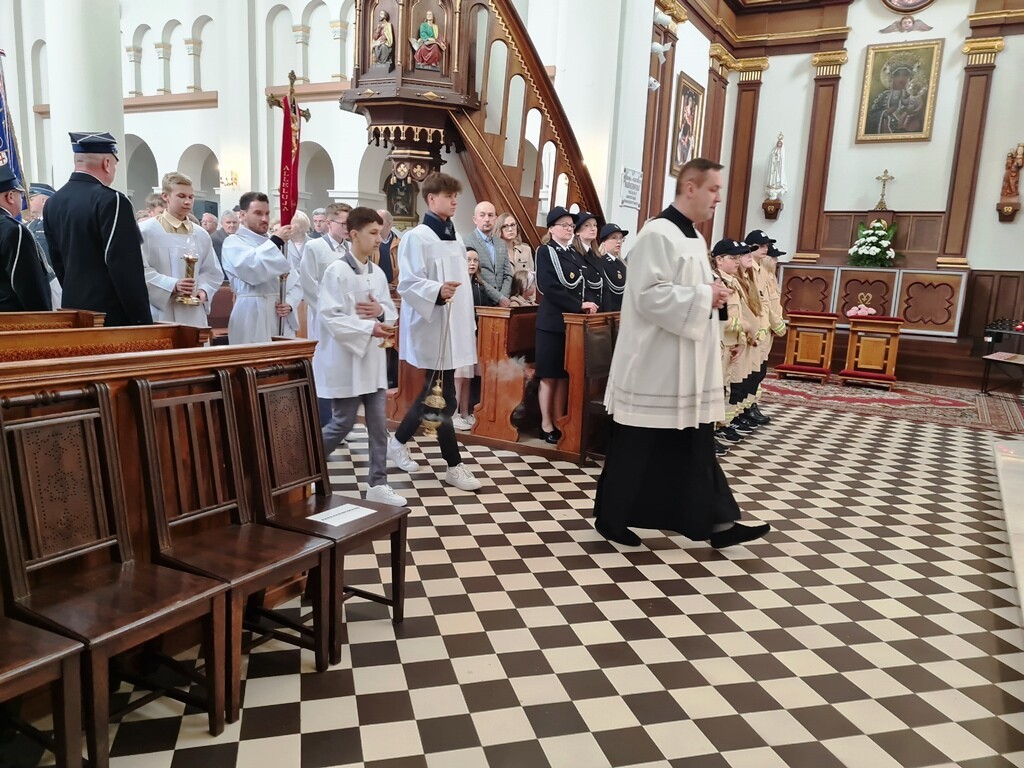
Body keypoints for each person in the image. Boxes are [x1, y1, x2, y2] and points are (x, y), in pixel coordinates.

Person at [594, 158, 770, 550]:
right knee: (636, 447)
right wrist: (705, 295)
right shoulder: (657, 233)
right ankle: (611, 518)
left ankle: (718, 522)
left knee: (695, 445)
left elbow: (686, 290)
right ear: (690, 188)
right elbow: (648, 295)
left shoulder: (691, 236)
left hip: (685, 365)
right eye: (713, 189)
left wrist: (712, 295)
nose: (718, 198)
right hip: (654, 365)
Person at [388, 172, 482, 492]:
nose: (455, 201)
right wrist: (437, 291)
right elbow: (408, 282)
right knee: (443, 398)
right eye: (448, 196)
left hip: (453, 327)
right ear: (431, 199)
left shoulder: (455, 236)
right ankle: (453, 465)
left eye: (456, 196)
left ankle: (398, 441)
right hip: (432, 325)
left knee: (437, 396)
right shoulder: (416, 237)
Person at [315, 207, 405, 506]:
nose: (379, 239)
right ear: (354, 234)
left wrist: (380, 313)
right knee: (342, 423)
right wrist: (369, 328)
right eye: (373, 233)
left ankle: (378, 483)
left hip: (372, 361)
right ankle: (304, 467)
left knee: (378, 425)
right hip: (347, 361)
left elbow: (389, 311)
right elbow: (330, 316)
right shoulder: (336, 272)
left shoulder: (377, 273)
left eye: (380, 232)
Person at [44, 131, 153, 326]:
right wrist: (141, 319)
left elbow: (57, 260)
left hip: (73, 310)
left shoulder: (53, 202)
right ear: (107, 163)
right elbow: (125, 265)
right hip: (110, 314)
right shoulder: (112, 200)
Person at [534, 206, 601, 444]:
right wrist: (578, 305)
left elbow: (584, 283)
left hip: (571, 325)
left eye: (571, 225)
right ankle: (545, 424)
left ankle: (559, 419)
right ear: (552, 229)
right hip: (552, 322)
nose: (569, 229)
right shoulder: (545, 251)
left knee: (563, 375)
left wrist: (589, 304)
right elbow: (548, 287)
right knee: (549, 375)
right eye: (564, 225)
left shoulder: (573, 254)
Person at [139, 172, 222, 327]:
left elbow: (212, 271)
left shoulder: (201, 234)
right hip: (161, 311)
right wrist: (172, 285)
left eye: (191, 197)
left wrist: (203, 290)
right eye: (181, 196)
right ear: (166, 196)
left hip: (193, 314)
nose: (187, 201)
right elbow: (138, 271)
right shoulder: (146, 231)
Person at [222, 191, 301, 343]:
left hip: (278, 313)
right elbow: (253, 271)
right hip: (251, 312)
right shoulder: (233, 242)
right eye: (258, 213)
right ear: (242, 215)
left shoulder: (279, 244)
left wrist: (289, 303)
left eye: (267, 213)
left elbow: (295, 281)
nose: (264, 219)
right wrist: (275, 242)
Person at [0, 164, 52, 312]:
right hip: (12, 319)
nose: (23, 201)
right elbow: (29, 285)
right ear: (10, 196)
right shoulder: (13, 230)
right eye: (21, 196)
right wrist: (43, 315)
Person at [453, 247, 487, 432]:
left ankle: (465, 413)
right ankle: (453, 414)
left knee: (468, 375)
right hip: (459, 332)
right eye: (468, 260)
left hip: (473, 332)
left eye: (475, 260)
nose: (472, 263)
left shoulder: (478, 285)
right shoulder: (457, 284)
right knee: (459, 375)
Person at [463, 201, 512, 307]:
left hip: (503, 303)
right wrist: (498, 297)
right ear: (475, 219)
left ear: (496, 219)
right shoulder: (467, 241)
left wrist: (503, 296)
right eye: (482, 215)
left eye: (490, 215)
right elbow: (475, 275)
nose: (487, 219)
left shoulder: (501, 243)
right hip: (480, 300)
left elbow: (508, 274)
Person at [597, 222, 628, 313]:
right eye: (614, 238)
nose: (619, 241)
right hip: (606, 312)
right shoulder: (599, 262)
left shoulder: (623, 265)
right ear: (604, 242)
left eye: (621, 238)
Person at [375, 208, 400, 289]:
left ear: (389, 224)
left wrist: (394, 285)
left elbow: (404, 269)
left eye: (379, 221)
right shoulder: (369, 243)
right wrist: (382, 285)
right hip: (375, 288)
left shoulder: (400, 244)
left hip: (395, 289)